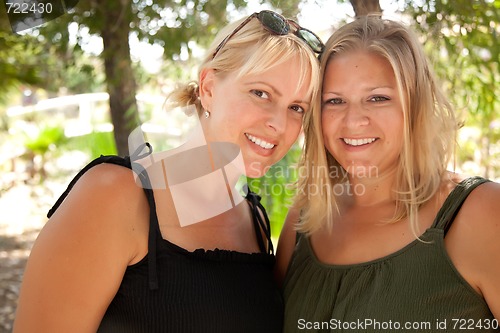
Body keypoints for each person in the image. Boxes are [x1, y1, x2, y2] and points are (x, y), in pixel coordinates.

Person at [14, 10, 323, 333]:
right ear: (208, 88)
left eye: (296, 108)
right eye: (261, 93)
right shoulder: (114, 195)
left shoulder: (255, 219)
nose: (279, 123)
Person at [276, 16, 500, 332]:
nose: (353, 120)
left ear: (415, 104)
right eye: (335, 101)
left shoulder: (482, 212)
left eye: (377, 98)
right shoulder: (304, 219)